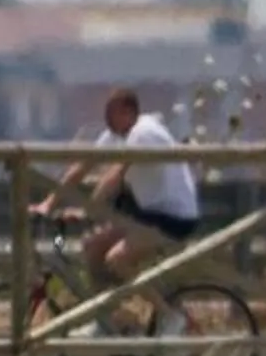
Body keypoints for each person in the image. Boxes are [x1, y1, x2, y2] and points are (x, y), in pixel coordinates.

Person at [40, 88, 203, 285]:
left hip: (174, 219)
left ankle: (168, 314)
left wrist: (87, 211)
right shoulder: (117, 134)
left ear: (128, 112)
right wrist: (49, 203)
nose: (106, 119)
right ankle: (106, 313)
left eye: (111, 114)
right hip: (149, 216)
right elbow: (84, 166)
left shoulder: (143, 133)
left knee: (116, 260)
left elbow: (114, 176)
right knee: (92, 246)